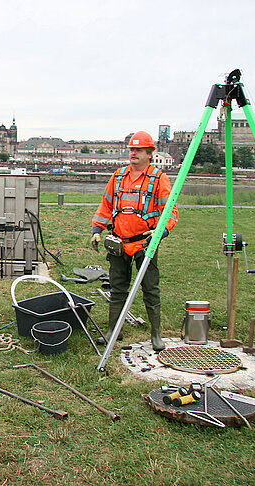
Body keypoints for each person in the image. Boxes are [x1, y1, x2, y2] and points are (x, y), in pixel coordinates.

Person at [91, 131, 178, 351]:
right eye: (131, 149)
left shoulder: (159, 179)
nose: (133, 153)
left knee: (150, 288)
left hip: (144, 244)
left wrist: (160, 231)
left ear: (150, 153)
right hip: (119, 243)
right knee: (117, 288)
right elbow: (106, 205)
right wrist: (97, 229)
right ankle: (113, 330)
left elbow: (170, 211)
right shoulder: (118, 176)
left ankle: (156, 335)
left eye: (138, 150)